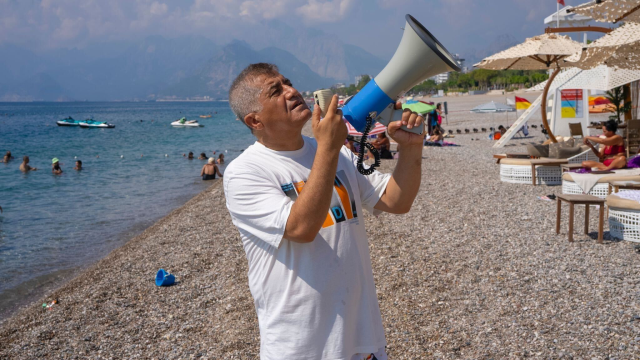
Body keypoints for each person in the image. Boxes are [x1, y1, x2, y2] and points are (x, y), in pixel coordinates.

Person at [224, 63, 424, 359]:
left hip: (362, 339)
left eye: (288, 82)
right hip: (301, 347)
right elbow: (301, 229)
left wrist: (412, 147)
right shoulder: (244, 172)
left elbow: (396, 201)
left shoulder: (337, 152)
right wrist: (328, 147)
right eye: (276, 91)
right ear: (255, 120)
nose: (292, 91)